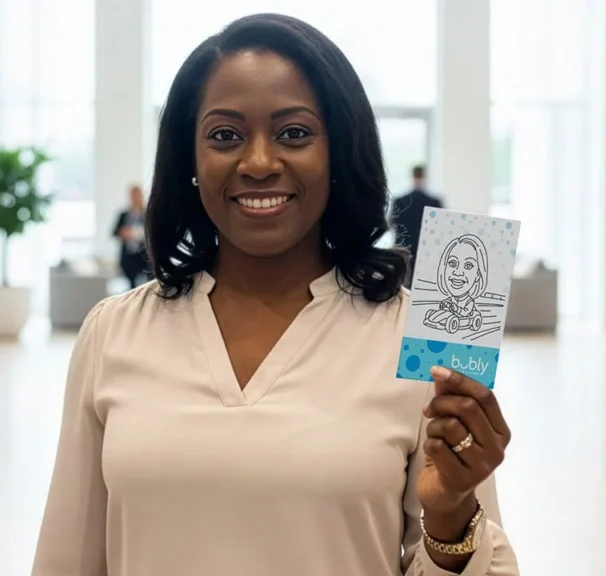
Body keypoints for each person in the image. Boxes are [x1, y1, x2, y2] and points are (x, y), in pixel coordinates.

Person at [31, 13, 517, 576]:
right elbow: (65, 560)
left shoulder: (419, 343)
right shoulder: (113, 333)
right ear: (189, 159)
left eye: (294, 133)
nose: (259, 163)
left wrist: (451, 515)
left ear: (338, 152)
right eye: (224, 136)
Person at [392, 165, 444, 272]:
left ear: (412, 175)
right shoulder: (434, 202)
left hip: (404, 249)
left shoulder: (400, 201)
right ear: (425, 176)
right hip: (427, 251)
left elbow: (393, 224)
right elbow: (441, 228)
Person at [111, 184, 151, 289]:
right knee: (131, 286)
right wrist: (123, 233)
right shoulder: (123, 215)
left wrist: (140, 233)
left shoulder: (148, 214)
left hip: (144, 257)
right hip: (128, 257)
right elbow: (114, 232)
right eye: (132, 196)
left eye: (137, 195)